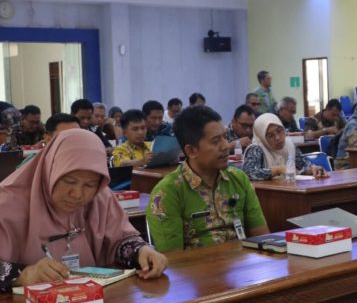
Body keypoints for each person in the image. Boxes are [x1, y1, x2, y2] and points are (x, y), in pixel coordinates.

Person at [0, 128, 166, 291]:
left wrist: (141, 251)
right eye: (69, 182)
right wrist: (24, 274)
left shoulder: (100, 197)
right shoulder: (7, 203)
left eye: (90, 185)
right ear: (50, 169)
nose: (78, 194)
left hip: (92, 297)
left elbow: (120, 240)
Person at [147, 106, 267, 251]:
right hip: (196, 265)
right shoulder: (168, 193)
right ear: (191, 151)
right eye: (215, 141)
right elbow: (173, 259)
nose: (226, 146)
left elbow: (263, 239)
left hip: (242, 262)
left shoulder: (238, 179)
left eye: (225, 137)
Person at [241, 114, 327, 181]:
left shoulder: (289, 144)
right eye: (271, 135)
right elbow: (249, 173)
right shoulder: (256, 149)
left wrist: (312, 169)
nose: (278, 138)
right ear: (262, 137)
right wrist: (277, 170)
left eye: (279, 131)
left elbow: (303, 165)